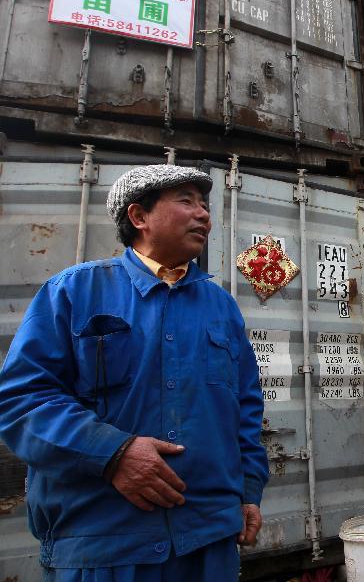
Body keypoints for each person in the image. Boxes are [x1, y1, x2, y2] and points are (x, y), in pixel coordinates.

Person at [0, 165, 269, 581]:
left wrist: (249, 491)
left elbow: (246, 407)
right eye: (186, 202)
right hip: (102, 546)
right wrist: (112, 453)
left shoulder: (221, 307)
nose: (204, 216)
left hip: (208, 543)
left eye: (205, 205)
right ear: (139, 217)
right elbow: (21, 401)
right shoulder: (74, 291)